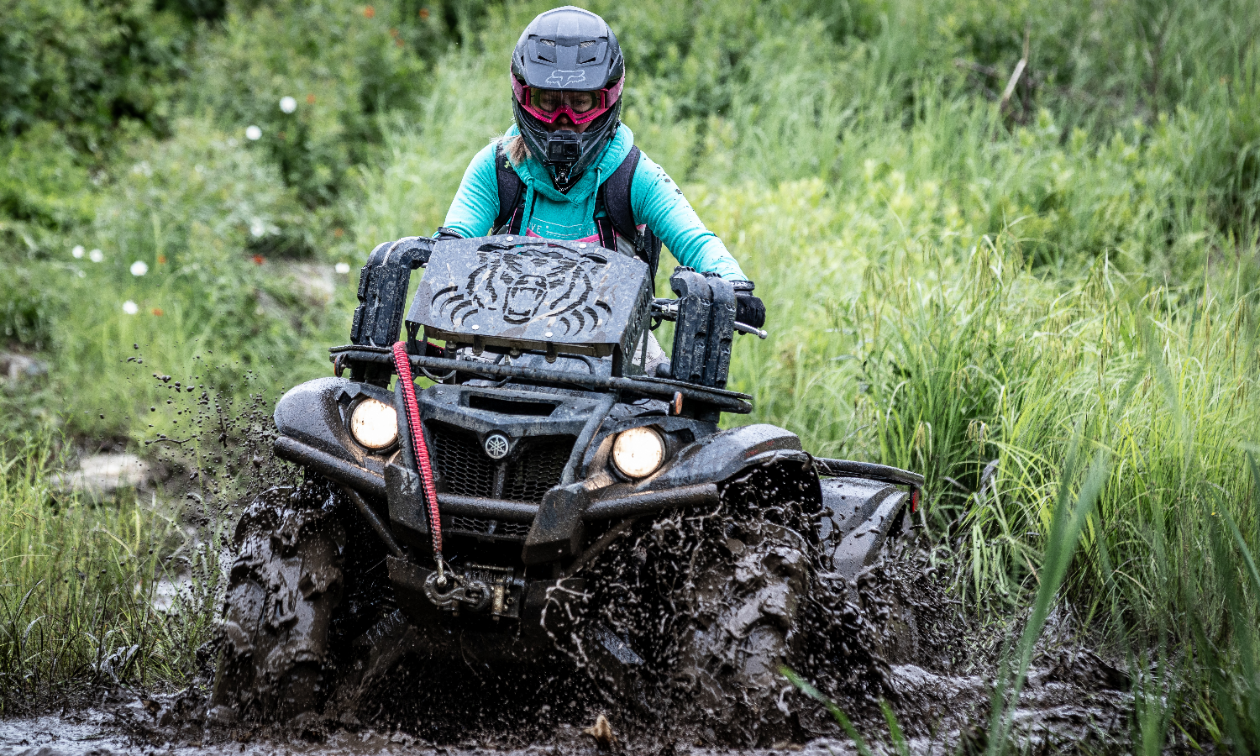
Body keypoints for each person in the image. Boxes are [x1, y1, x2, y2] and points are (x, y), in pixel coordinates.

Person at [437, 6, 766, 343]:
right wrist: (437, 249)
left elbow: (696, 241)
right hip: (501, 336)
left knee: (681, 394)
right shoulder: (497, 168)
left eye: (580, 103)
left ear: (609, 98)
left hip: (613, 348)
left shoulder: (633, 174)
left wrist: (733, 283)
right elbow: (455, 239)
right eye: (548, 101)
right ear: (523, 97)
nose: (563, 118)